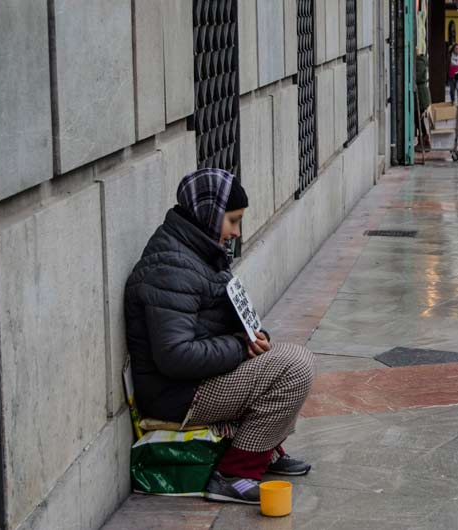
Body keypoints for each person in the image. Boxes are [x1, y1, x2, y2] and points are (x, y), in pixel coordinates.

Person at [124, 168, 316, 505]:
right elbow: (175, 354)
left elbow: (228, 320)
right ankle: (235, 474)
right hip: (177, 395)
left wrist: (255, 337)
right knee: (294, 367)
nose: (236, 232)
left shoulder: (197, 252)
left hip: (198, 382)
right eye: (232, 221)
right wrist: (241, 347)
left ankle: (262, 447)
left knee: (286, 358)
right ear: (209, 215)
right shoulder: (170, 267)